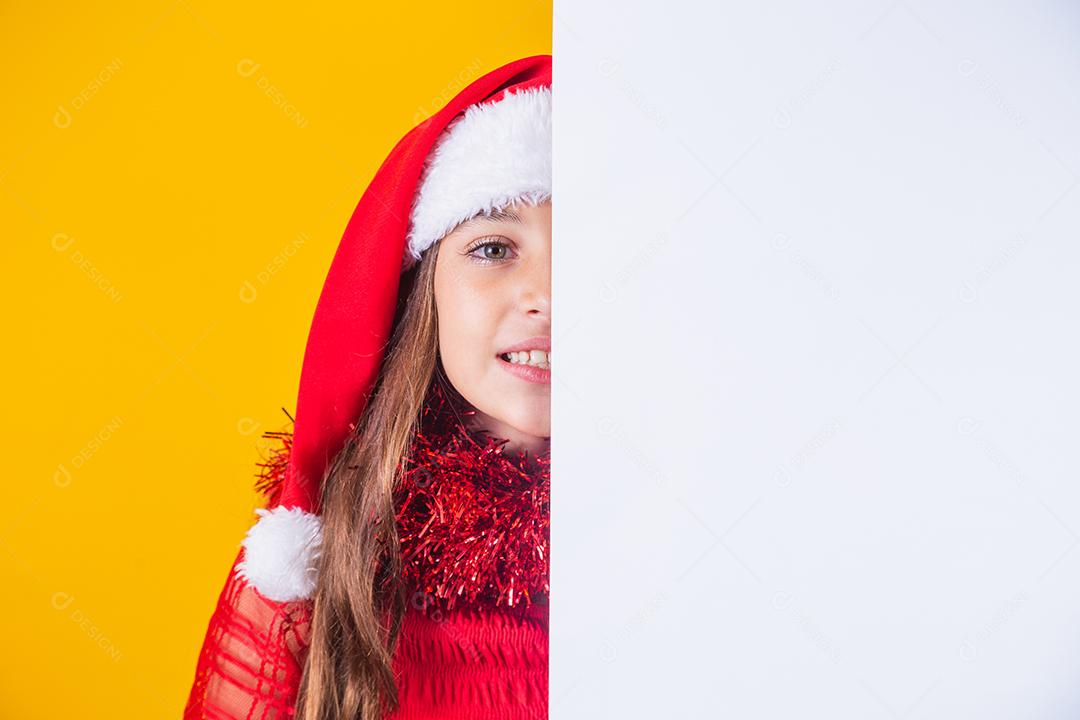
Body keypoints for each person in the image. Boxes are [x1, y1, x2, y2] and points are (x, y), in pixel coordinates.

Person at [183, 55, 552, 720]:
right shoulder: (331, 547)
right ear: (425, 287)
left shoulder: (681, 534)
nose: (548, 296)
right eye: (495, 248)